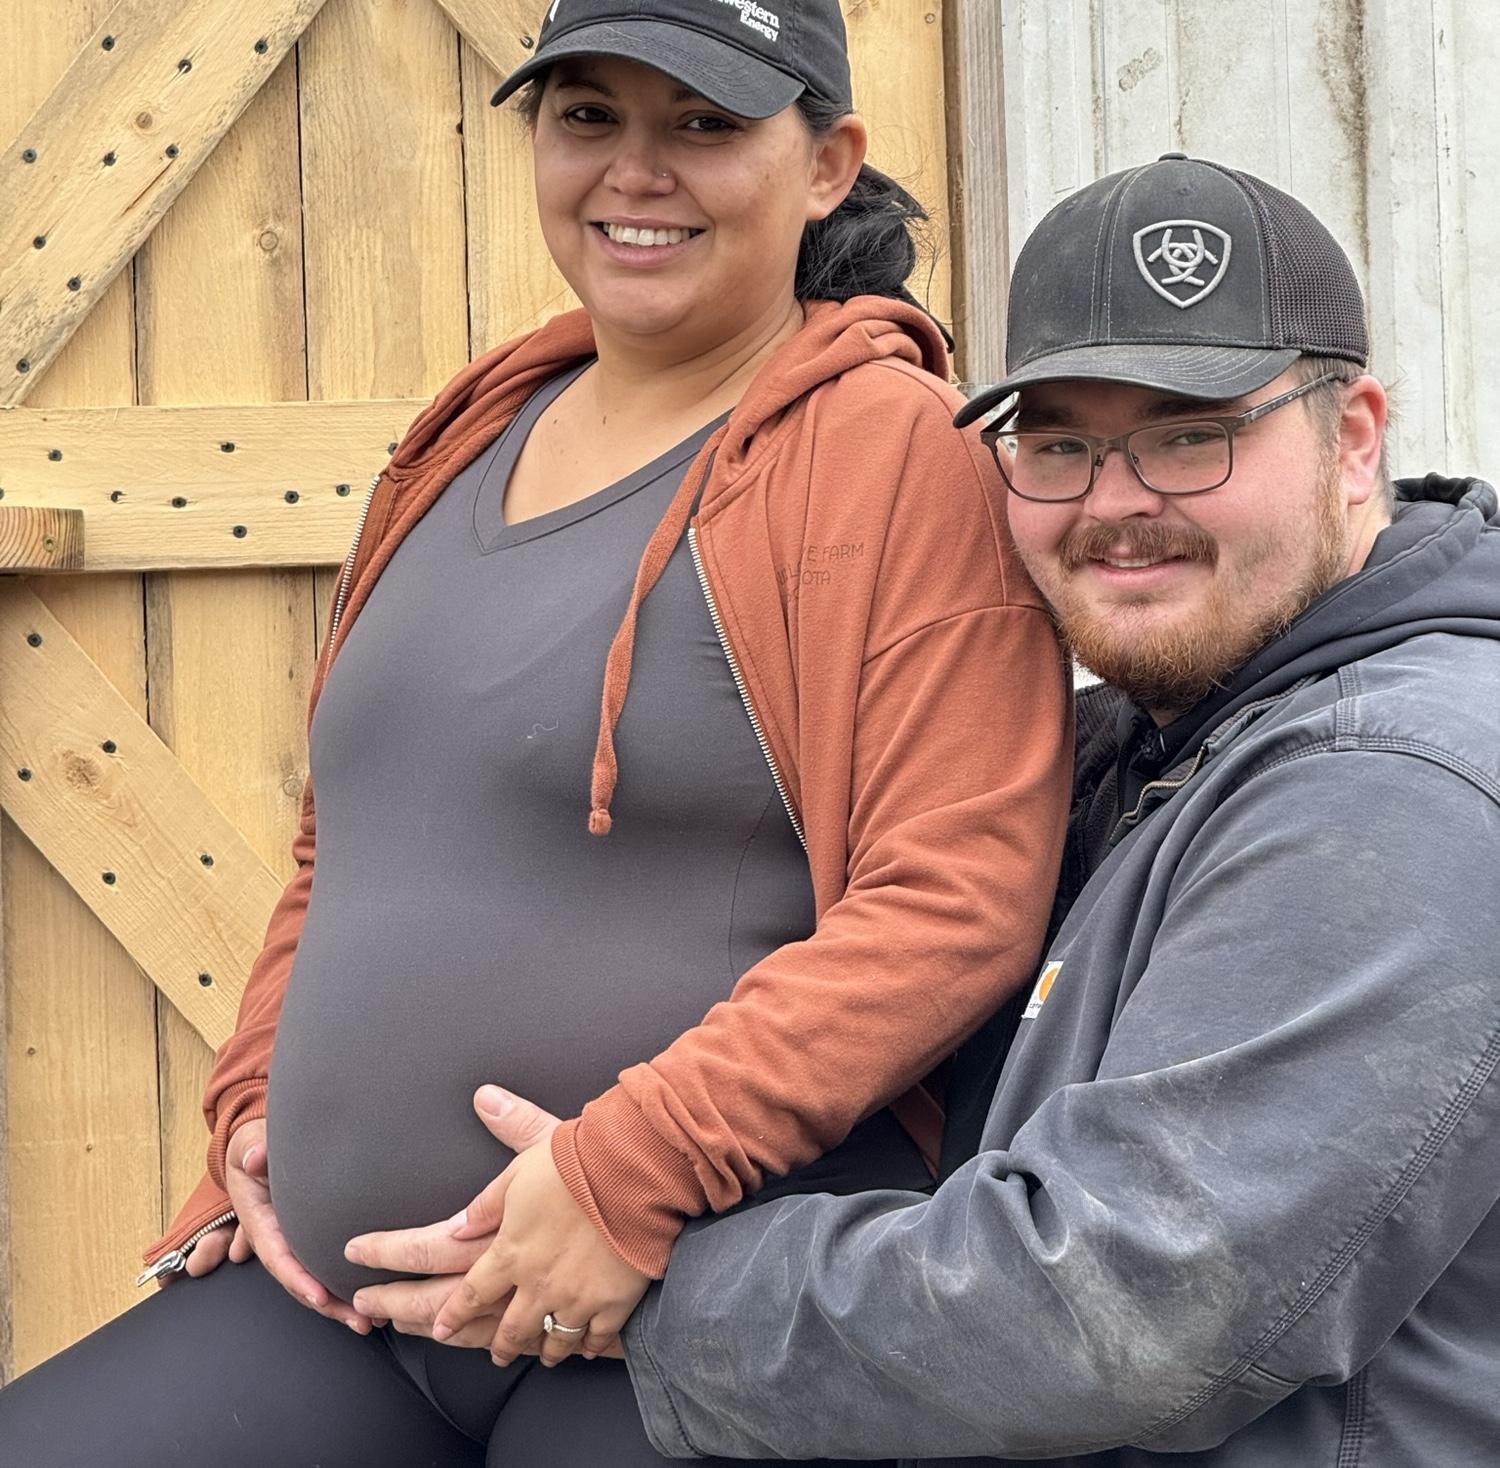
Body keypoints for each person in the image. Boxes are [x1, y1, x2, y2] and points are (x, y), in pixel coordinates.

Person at [0, 0, 1071, 1464]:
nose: (637, 170)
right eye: (589, 116)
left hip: (679, 1315)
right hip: (350, 1308)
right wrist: (254, 1102)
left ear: (828, 164)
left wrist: (628, 1175)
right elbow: (351, 842)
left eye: (705, 123)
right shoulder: (469, 432)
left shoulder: (890, 454)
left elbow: (955, 900)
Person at [351, 154, 1500, 1464]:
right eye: (1059, 445)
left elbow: (1115, 1307)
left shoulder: (1393, 793)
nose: (1117, 504)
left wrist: (652, 1277)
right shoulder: (1137, 743)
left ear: (1355, 441)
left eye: (1192, 435)